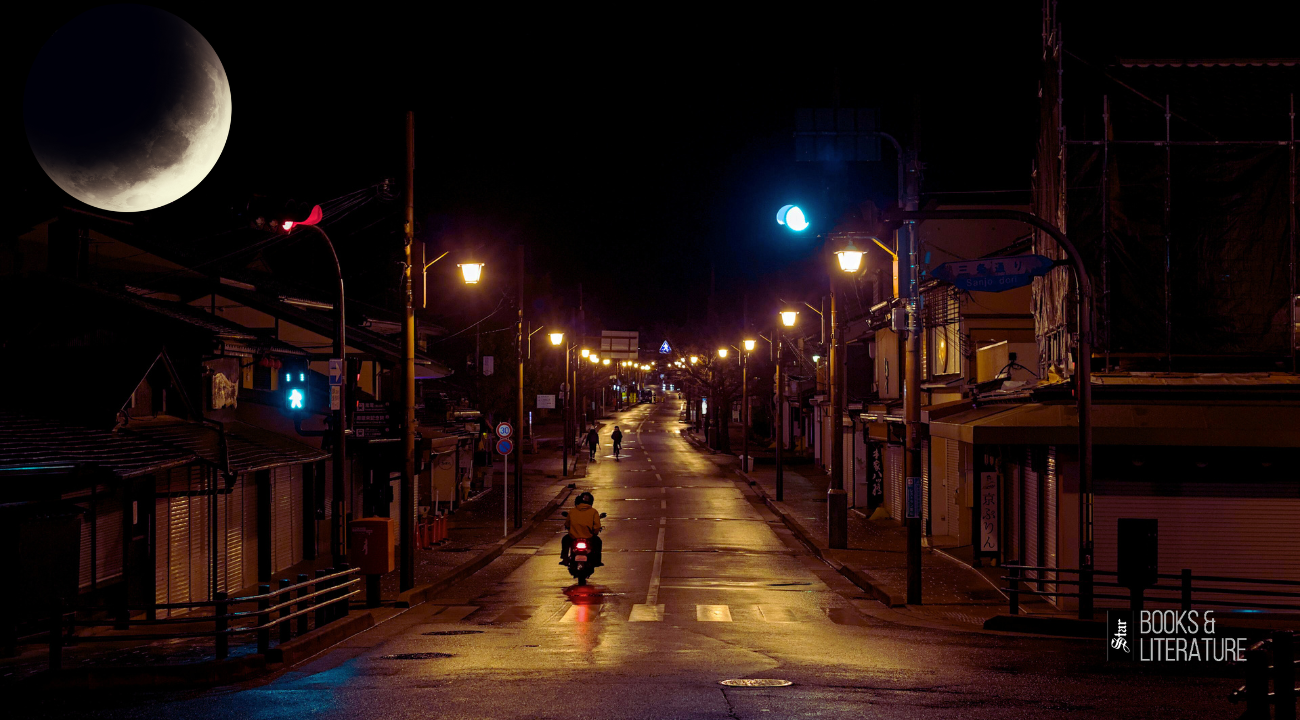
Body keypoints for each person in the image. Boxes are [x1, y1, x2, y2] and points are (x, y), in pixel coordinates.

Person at [560, 491, 603, 566]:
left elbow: (567, 524)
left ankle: (565, 558)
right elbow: (597, 526)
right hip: (589, 537)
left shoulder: (572, 511)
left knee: (565, 540)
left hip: (573, 537)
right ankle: (597, 560)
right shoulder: (593, 512)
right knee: (598, 542)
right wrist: (595, 532)